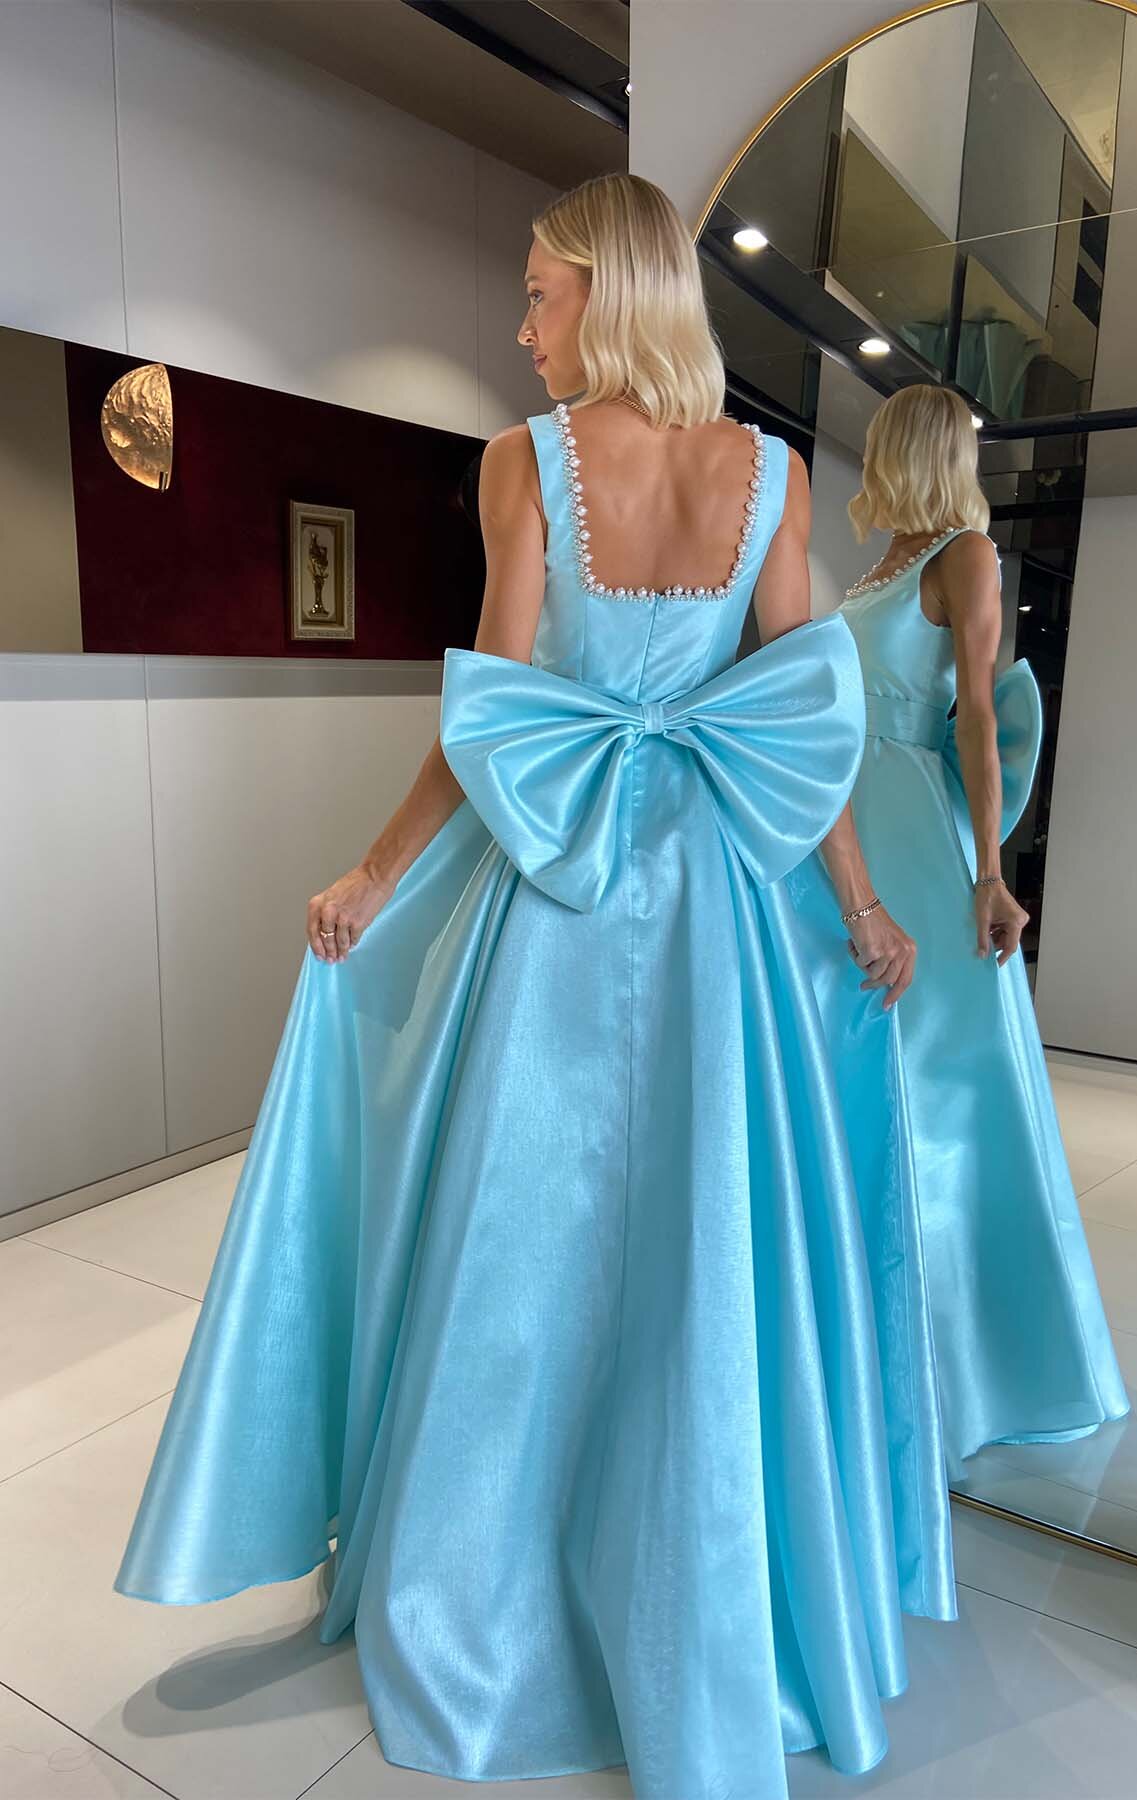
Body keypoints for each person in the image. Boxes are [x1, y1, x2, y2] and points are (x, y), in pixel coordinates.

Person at [113, 174, 955, 1797]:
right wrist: (859, 908)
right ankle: (697, 1599)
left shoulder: (526, 461)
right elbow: (802, 735)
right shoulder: (774, 476)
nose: (522, 328)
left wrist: (372, 878)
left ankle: (480, 1604)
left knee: (518, 1260)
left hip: (558, 905)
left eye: (540, 295)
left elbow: (487, 723)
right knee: (702, 1251)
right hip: (713, 915)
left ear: (610, 297)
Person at [834, 383, 1129, 1477]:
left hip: (914, 820)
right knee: (857, 1062)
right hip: (845, 820)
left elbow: (975, 721)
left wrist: (990, 872)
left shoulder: (966, 554)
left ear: (907, 449)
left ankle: (968, 1362)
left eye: (884, 441)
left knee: (944, 1080)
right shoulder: (882, 560)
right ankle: (854, 1330)